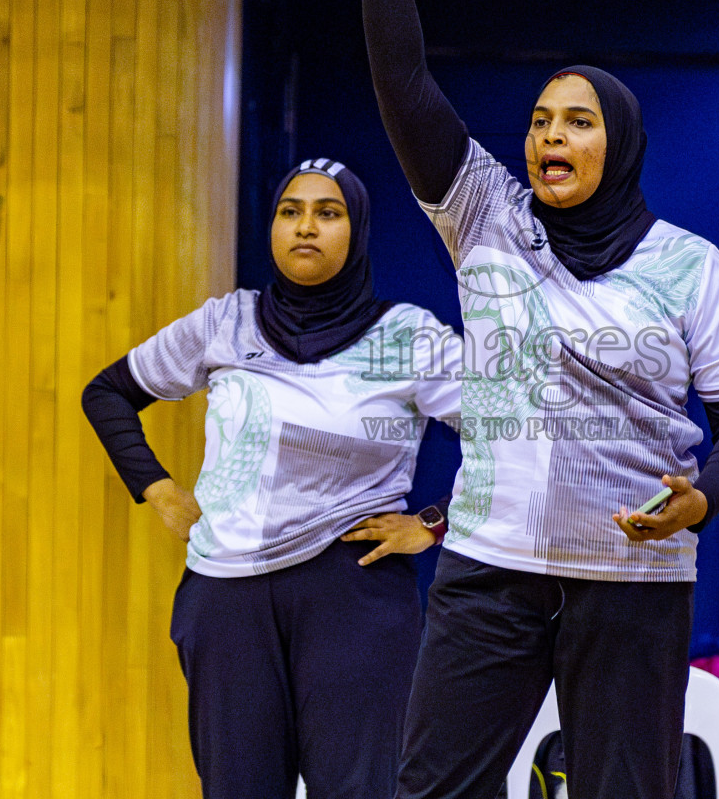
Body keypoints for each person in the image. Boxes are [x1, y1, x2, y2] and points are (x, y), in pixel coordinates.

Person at [360, 0, 719, 799]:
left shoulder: (689, 266)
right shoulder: (486, 217)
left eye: (578, 121)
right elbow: (404, 84)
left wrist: (703, 495)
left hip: (632, 587)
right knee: (431, 789)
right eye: (542, 119)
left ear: (618, 143)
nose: (553, 134)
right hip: (490, 567)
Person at [81, 157, 461, 799]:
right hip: (225, 599)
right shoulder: (224, 321)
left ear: (358, 230)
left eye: (328, 213)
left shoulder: (409, 336)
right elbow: (108, 392)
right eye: (291, 212)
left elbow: (512, 435)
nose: (305, 227)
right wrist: (158, 488)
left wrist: (432, 523)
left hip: (354, 592)